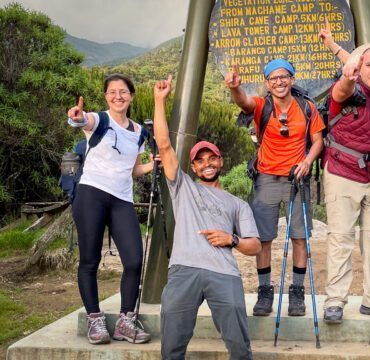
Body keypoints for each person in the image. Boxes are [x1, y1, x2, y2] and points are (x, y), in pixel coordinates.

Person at [153, 75, 261, 359]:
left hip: (224, 273)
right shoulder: (183, 187)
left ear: (221, 161)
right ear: (193, 167)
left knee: (239, 346)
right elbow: (164, 145)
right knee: (172, 346)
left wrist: (232, 239)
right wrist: (159, 100)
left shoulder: (238, 204)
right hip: (183, 270)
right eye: (200, 160)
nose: (207, 164)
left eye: (211, 158)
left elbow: (254, 246)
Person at [224, 59, 324, 317]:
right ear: (267, 83)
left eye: (284, 77)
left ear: (291, 79)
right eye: (273, 79)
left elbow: (317, 141)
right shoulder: (262, 106)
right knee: (264, 239)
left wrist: (307, 161)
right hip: (266, 177)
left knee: (299, 238)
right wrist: (235, 88)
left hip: (297, 178)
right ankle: (265, 291)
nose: (279, 82)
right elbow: (243, 102)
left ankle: (298, 293)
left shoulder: (307, 107)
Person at [67, 74, 155, 345]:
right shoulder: (99, 120)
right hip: (91, 193)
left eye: (123, 91)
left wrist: (153, 164)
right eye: (112, 92)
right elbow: (82, 120)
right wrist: (77, 116)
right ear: (106, 96)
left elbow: (132, 170)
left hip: (121, 199)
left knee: (134, 260)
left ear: (131, 95)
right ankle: (95, 320)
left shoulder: (139, 132)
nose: (118, 96)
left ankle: (125, 322)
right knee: (90, 261)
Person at [321, 43, 370, 324]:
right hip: (342, 172)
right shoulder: (349, 89)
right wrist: (347, 75)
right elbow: (340, 91)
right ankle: (335, 301)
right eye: (369, 65)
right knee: (341, 239)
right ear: (360, 67)